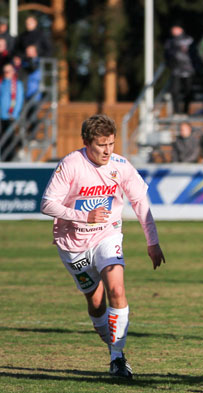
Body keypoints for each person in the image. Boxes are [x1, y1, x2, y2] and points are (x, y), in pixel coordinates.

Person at [40, 113, 165, 378]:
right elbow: (47, 204)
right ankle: (113, 346)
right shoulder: (71, 164)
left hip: (107, 236)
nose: (108, 151)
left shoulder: (121, 166)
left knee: (117, 289)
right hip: (73, 245)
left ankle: (118, 359)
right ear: (87, 142)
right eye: (101, 145)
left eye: (111, 144)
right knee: (96, 302)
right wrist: (83, 216)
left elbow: (141, 202)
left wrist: (152, 242)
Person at [163, 25, 195, 115]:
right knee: (175, 91)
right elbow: (167, 54)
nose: (174, 31)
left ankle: (186, 111)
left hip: (189, 70)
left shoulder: (190, 40)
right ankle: (176, 111)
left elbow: (194, 53)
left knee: (188, 92)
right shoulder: (170, 42)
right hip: (176, 70)